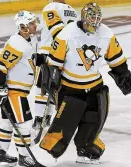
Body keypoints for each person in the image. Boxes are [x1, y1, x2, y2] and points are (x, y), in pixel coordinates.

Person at [38, 2, 131, 164]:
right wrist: (51, 81)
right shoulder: (67, 33)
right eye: (91, 17)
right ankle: (54, 145)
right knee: (66, 123)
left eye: (98, 18)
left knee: (94, 118)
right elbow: (54, 62)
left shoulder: (106, 33)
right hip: (70, 87)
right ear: (83, 17)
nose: (95, 21)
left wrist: (124, 74)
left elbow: (116, 57)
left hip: (94, 85)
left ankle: (85, 147)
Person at [0, 10, 45, 167]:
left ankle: (0, 154)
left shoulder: (30, 40)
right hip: (14, 92)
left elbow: (29, 58)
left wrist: (41, 59)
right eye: (32, 23)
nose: (35, 25)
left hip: (19, 91)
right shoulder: (16, 43)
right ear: (23, 27)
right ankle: (25, 157)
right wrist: (0, 89)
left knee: (6, 123)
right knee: (24, 125)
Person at [33, 0, 78, 130]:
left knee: (41, 84)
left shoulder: (51, 7)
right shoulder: (73, 11)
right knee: (54, 86)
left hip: (48, 52)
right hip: (64, 54)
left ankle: (39, 117)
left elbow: (56, 32)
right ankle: (48, 117)